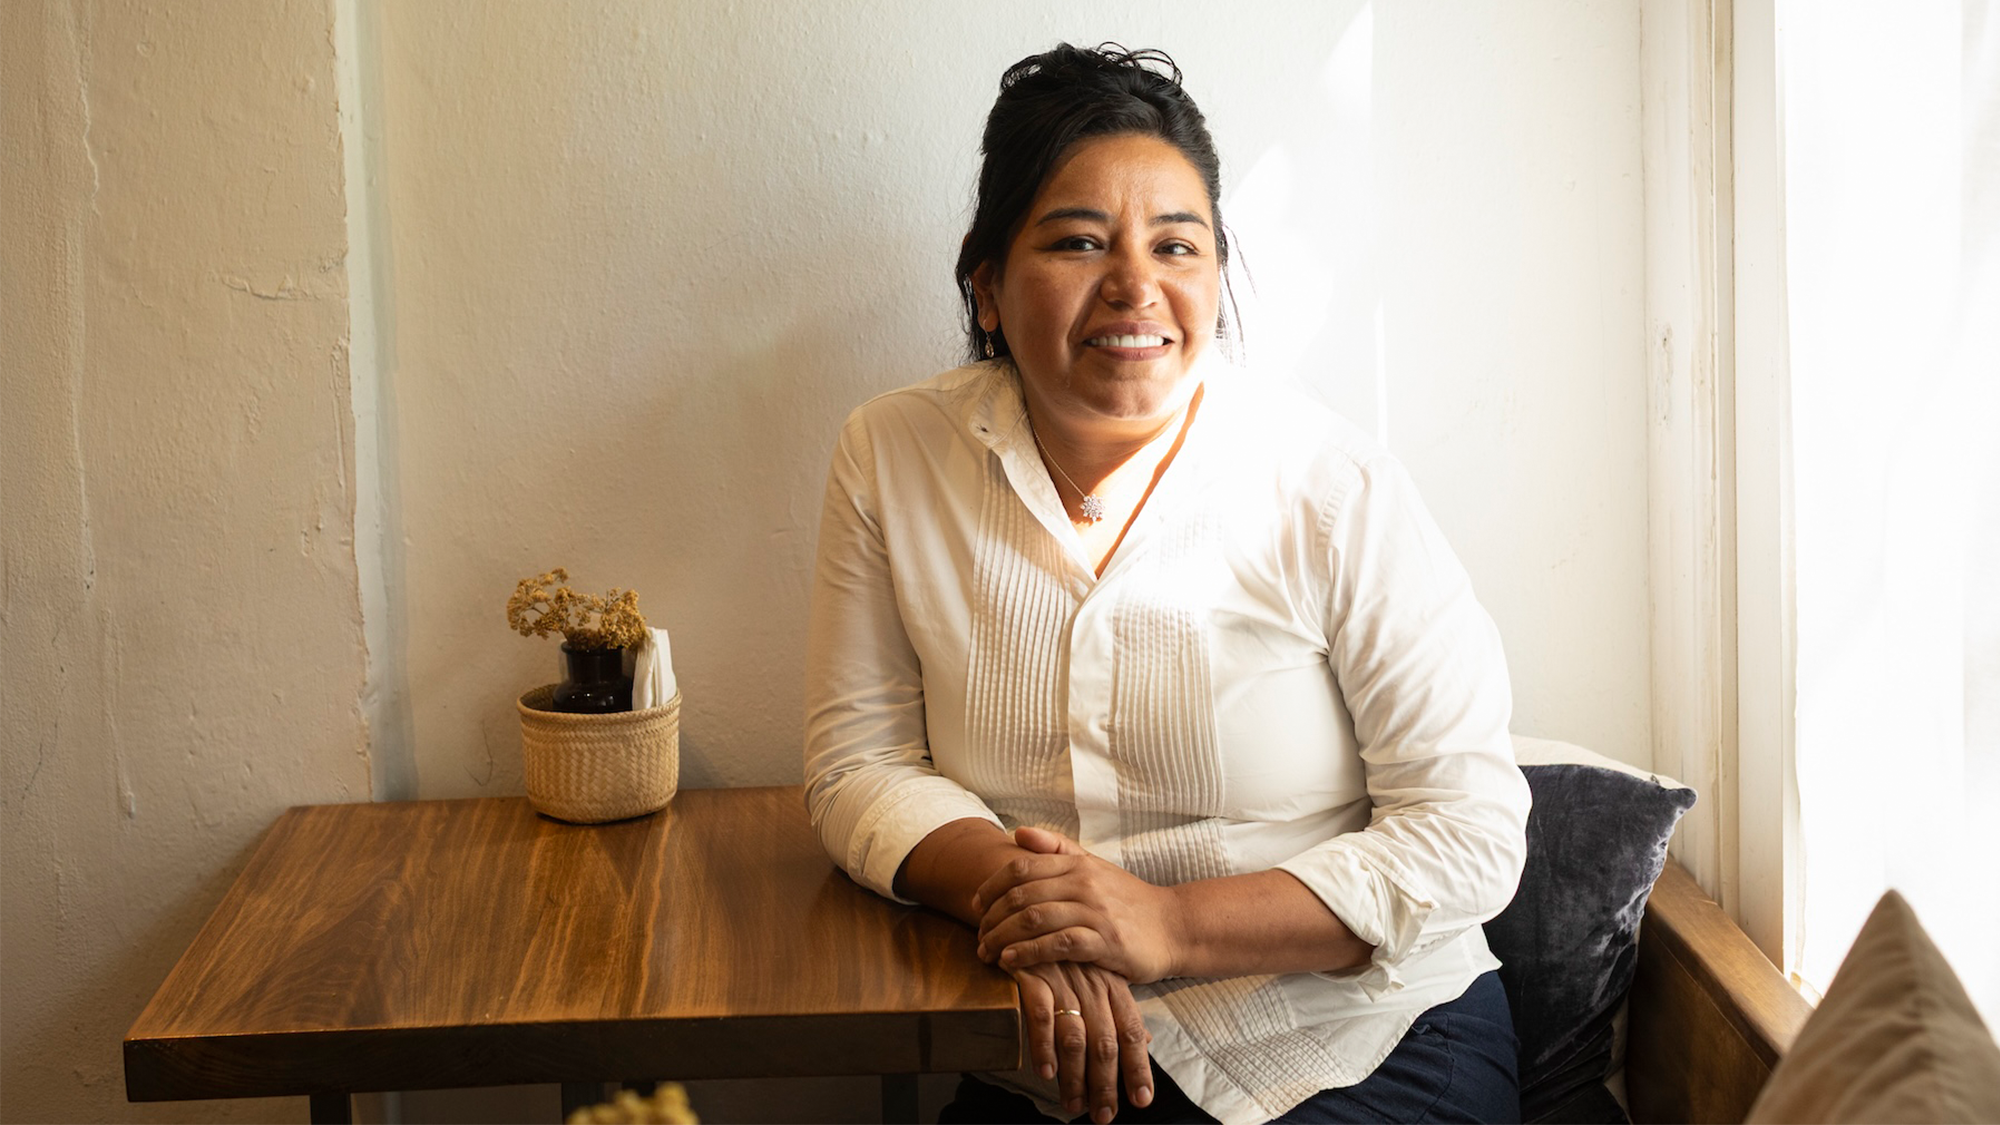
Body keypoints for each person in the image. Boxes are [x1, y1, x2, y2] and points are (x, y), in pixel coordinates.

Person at [803, 43, 1531, 1125]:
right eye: (1077, 241)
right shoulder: (893, 455)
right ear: (987, 286)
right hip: (1051, 1050)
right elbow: (857, 765)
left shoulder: (1330, 486)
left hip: (1353, 1042)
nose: (1133, 286)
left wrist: (1166, 925)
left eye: (1175, 244)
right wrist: (1039, 906)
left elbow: (1468, 830)